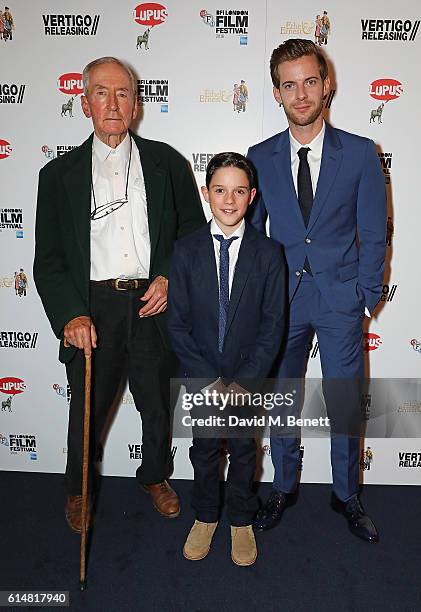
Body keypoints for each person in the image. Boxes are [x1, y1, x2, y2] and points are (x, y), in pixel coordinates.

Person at [34, 57, 206, 533]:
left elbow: (192, 234)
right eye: (102, 93)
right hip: (92, 308)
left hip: (153, 303)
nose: (113, 103)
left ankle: (154, 477)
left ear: (136, 103)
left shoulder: (167, 162)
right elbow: (48, 260)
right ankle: (78, 489)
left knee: (156, 404)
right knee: (85, 411)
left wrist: (169, 277)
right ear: (85, 101)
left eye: (124, 93)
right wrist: (71, 314)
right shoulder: (58, 175)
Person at [247, 39, 386, 542]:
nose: (301, 94)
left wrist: (367, 293)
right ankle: (283, 486)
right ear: (276, 93)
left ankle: (347, 494)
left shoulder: (359, 153)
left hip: (340, 298)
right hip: (282, 301)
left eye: (310, 81)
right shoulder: (259, 157)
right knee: (282, 399)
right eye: (289, 85)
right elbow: (251, 235)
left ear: (327, 85)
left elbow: (373, 229)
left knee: (345, 399)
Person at [168, 152, 287, 566]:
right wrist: (206, 379)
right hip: (201, 376)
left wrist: (244, 380)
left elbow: (273, 326)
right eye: (220, 190)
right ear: (206, 193)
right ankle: (205, 514)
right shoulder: (184, 251)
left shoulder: (270, 254)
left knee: (243, 451)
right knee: (203, 451)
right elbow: (178, 324)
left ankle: (240, 518)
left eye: (239, 191)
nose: (229, 200)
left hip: (246, 379)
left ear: (252, 196)